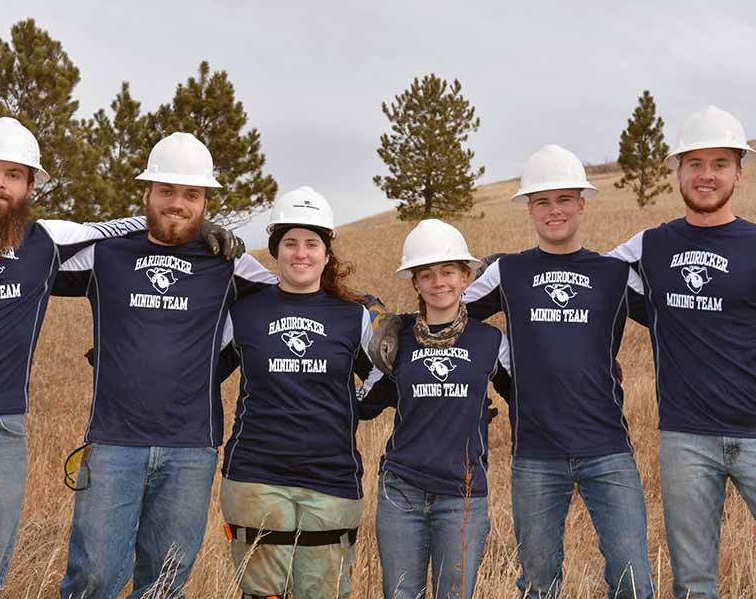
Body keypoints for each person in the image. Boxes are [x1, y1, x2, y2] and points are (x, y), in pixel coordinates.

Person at [0, 117, 151, 599]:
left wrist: (205, 228)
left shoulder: (46, 243)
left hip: (0, 434)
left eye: (13, 174)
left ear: (31, 185)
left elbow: (129, 226)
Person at [53, 132, 268, 599]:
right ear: (146, 192)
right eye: (166, 191)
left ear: (206, 200)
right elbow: (32, 248)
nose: (178, 203)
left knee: (165, 582)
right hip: (114, 444)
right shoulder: (106, 254)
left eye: (191, 195)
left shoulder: (227, 262)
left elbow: (299, 289)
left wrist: (372, 312)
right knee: (94, 577)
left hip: (191, 450)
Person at [608, 105, 756, 599]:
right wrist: (509, 272)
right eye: (695, 163)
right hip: (685, 440)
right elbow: (592, 282)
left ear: (738, 171)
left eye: (719, 164)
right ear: (678, 171)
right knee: (693, 585)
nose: (706, 175)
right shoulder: (650, 245)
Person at [461, 145, 654, 598]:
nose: (554, 211)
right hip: (536, 455)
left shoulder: (613, 272)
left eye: (565, 199)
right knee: (538, 585)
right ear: (529, 208)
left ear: (582, 204)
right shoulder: (508, 271)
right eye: (542, 201)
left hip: (608, 448)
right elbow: (451, 315)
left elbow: (678, 324)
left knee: (634, 579)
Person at [217, 186, 382, 599]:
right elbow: (200, 371)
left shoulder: (353, 315)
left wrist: (355, 407)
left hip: (331, 480)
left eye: (312, 243)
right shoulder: (246, 311)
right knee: (263, 595)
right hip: (256, 478)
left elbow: (384, 376)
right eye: (290, 243)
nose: (301, 253)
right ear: (276, 251)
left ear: (327, 254)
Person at [360, 218, 510, 599]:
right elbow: (363, 407)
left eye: (448, 272)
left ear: (465, 277)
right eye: (426, 275)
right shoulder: (398, 341)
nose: (438, 282)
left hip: (462, 495)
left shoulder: (490, 341)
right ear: (414, 282)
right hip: (401, 491)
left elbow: (528, 397)